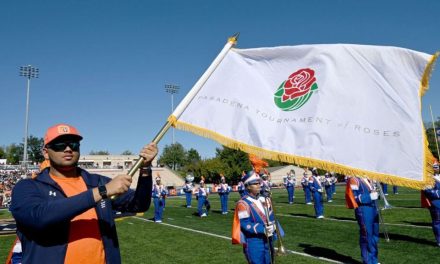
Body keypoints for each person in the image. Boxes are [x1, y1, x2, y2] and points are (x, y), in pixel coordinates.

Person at [10, 123, 157, 264]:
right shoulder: (28, 187)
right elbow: (39, 217)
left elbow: (139, 205)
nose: (68, 149)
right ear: (46, 153)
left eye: (73, 144)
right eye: (60, 144)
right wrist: (102, 192)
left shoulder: (97, 181)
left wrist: (145, 170)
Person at [232, 171, 277, 264]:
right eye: (255, 184)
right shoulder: (243, 203)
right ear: (248, 186)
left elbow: (272, 217)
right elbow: (245, 224)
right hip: (254, 242)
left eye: (259, 183)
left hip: (268, 239)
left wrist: (274, 226)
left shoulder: (264, 199)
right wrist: (262, 229)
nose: (259, 185)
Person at [346, 176, 380, 264]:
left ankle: (374, 259)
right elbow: (354, 197)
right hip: (364, 209)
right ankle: (368, 261)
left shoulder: (368, 178)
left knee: (374, 235)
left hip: (373, 208)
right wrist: (369, 196)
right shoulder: (354, 179)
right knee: (366, 235)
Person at [422, 162, 440, 246]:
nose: (435, 168)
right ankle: (439, 240)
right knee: (437, 221)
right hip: (436, 202)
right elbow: (427, 191)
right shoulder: (428, 179)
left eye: (437, 167)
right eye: (434, 167)